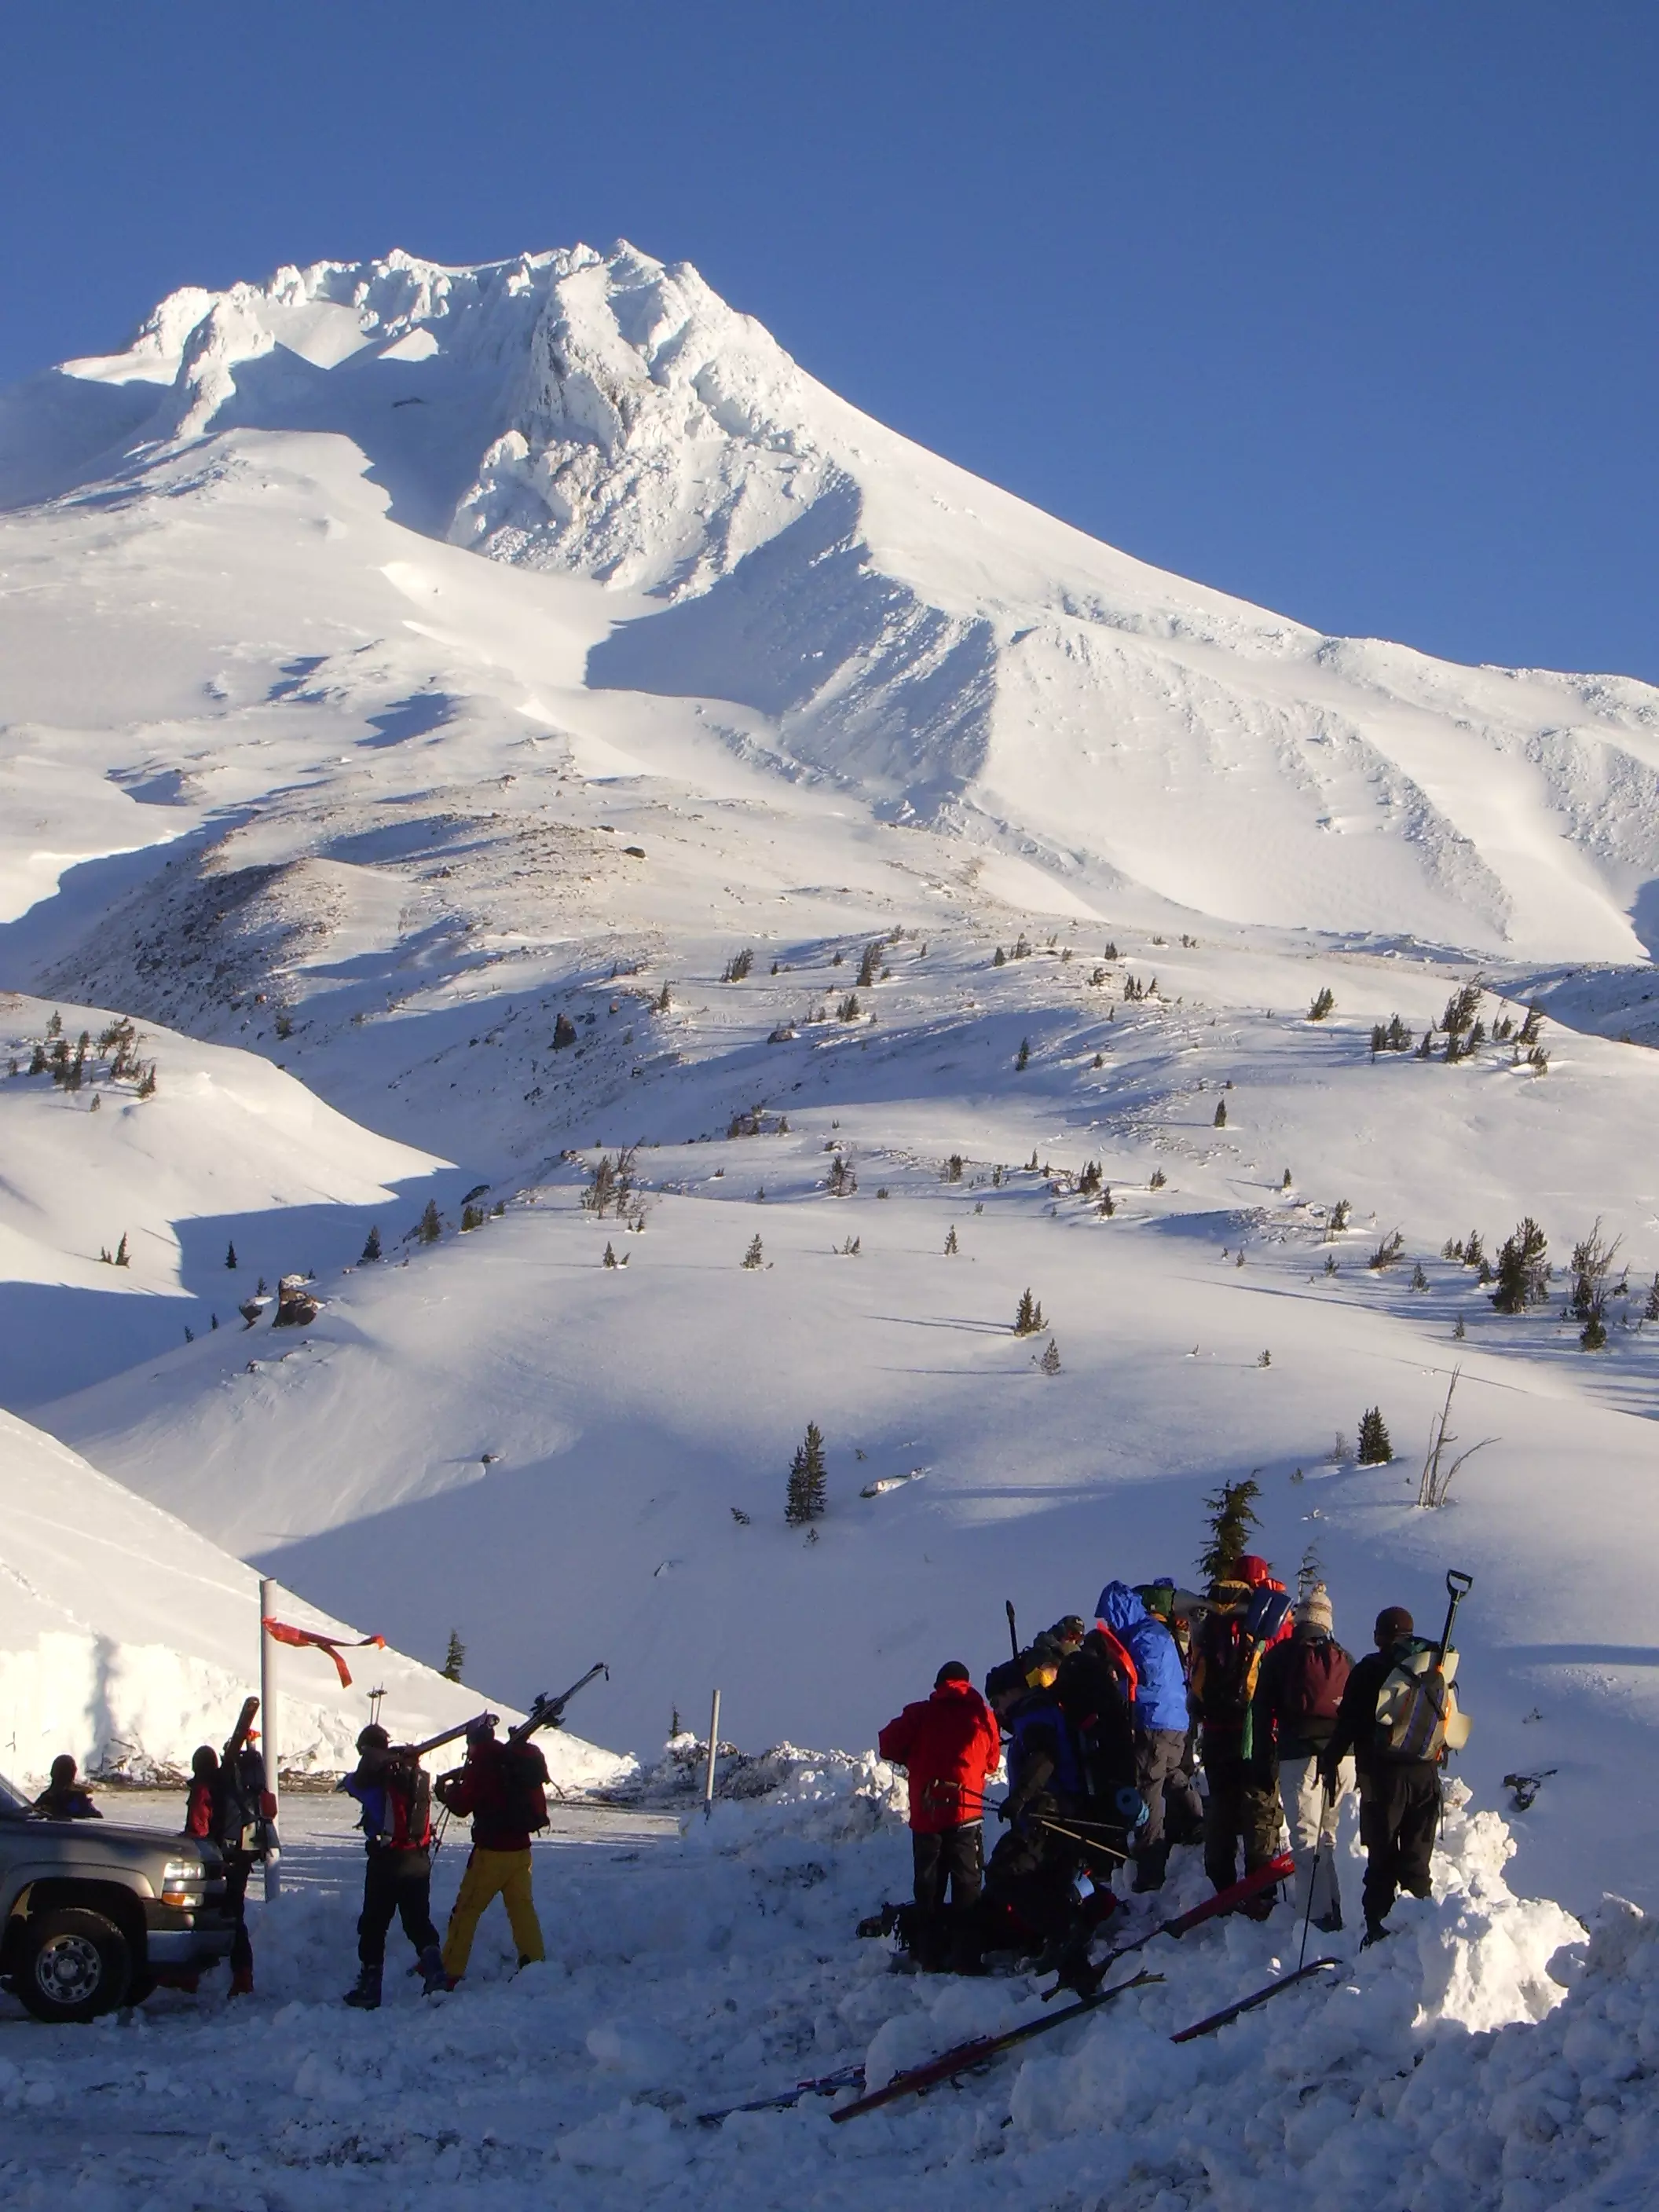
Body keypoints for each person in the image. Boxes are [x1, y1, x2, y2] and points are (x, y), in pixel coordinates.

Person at [1321, 1606, 1441, 1946]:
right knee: (1417, 1863)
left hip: (1383, 1780)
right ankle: (1423, 1942)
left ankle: (1377, 1938)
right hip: (1426, 1778)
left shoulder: (1370, 1669)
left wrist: (1331, 1758)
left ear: (1379, 1636)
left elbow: (1349, 1722)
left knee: (1382, 1860)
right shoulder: (1432, 1668)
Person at [877, 1662, 1002, 1965]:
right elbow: (992, 1761)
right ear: (967, 1684)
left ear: (938, 1685)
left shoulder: (919, 1714)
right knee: (967, 1886)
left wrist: (913, 1757)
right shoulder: (982, 1715)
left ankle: (928, 1954)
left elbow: (886, 1745)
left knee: (929, 1887)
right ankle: (967, 1958)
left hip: (927, 1813)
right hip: (967, 1813)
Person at [1190, 1555, 1291, 1913]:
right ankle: (1259, 1888)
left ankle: (1222, 1882)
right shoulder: (1271, 1623)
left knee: (1220, 1804)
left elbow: (1195, 1682)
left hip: (1216, 1730)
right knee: (1260, 1807)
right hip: (1256, 1730)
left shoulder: (1210, 1624)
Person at [1251, 1584, 1353, 1932]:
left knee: (1305, 1838)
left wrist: (1264, 1762)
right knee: (1330, 1836)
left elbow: (1262, 1712)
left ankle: (1315, 1920)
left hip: (1300, 1754)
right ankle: (1340, 1908)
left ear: (1297, 1620)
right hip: (1344, 1759)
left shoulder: (1280, 1657)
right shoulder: (1345, 1658)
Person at [435, 1718, 550, 1984]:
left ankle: (449, 1971)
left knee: (467, 1910)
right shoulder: (508, 1758)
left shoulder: (482, 1765)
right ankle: (535, 1963)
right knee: (522, 1909)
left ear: (473, 1743)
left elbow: (462, 1806)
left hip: (493, 1852)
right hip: (522, 1850)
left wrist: (445, 1792)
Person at [340, 1723, 446, 2006]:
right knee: (418, 1922)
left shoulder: (377, 1782)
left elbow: (351, 1784)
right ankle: (436, 1973)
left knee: (374, 1925)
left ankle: (370, 1988)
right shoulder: (410, 1777)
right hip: (418, 1858)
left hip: (386, 1860)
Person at [1096, 1580, 1192, 1891]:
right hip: (1175, 1721)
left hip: (1155, 1721)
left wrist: (1120, 1685)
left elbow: (1146, 1678)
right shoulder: (1155, 1633)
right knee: (1171, 1773)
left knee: (1148, 1788)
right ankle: (1196, 1821)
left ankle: (1151, 1869)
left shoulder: (1144, 1636)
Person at [184, 1740, 261, 1995]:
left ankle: (189, 1975)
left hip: (216, 1862)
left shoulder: (205, 1789)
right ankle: (243, 1976)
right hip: (240, 1860)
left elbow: (198, 1829)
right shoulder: (231, 1787)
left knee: (198, 1914)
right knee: (235, 1917)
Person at [32, 1755, 101, 1820]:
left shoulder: (45, 1798)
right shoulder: (77, 1799)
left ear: (52, 1773)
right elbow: (97, 1819)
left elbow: (32, 1815)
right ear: (73, 1774)